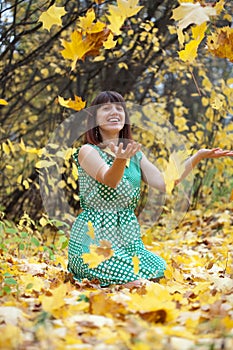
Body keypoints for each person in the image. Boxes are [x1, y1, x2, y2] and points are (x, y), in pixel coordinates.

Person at [68, 91, 233, 288]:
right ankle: (122, 284)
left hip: (127, 241)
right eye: (106, 108)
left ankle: (127, 282)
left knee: (160, 270)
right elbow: (109, 180)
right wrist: (120, 161)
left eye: (119, 108)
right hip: (93, 242)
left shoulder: (135, 156)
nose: (114, 112)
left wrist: (198, 156)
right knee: (136, 282)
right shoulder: (88, 151)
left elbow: (165, 182)